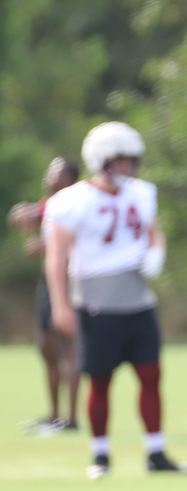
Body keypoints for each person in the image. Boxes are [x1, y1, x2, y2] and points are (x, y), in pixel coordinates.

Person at [44, 122, 187, 479]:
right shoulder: (73, 200)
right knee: (100, 379)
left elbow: (154, 232)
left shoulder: (142, 193)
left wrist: (156, 252)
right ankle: (101, 455)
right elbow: (56, 254)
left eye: (132, 160)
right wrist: (61, 304)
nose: (130, 167)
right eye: (122, 160)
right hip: (97, 299)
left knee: (151, 374)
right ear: (102, 160)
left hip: (138, 297)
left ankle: (156, 452)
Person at [8, 158, 81, 434]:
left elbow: (77, 238)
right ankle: (54, 416)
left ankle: (71, 419)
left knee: (68, 349)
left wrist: (43, 245)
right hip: (49, 284)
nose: (48, 176)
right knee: (46, 348)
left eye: (55, 172)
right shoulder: (50, 204)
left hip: (70, 282)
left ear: (69, 178)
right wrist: (22, 214)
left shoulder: (77, 203)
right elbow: (17, 216)